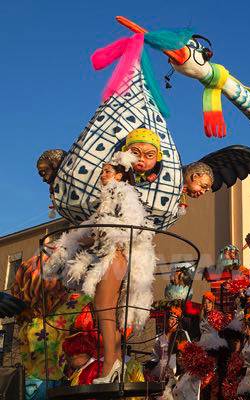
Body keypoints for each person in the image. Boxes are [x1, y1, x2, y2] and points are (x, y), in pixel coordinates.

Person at [46, 150, 157, 383]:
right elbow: (93, 230)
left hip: (114, 256)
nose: (103, 175)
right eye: (103, 171)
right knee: (105, 311)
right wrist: (77, 241)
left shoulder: (123, 192)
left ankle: (110, 365)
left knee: (104, 308)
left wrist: (101, 235)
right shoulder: (106, 199)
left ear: (119, 175)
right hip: (107, 255)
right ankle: (114, 362)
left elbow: (131, 224)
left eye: (107, 171)